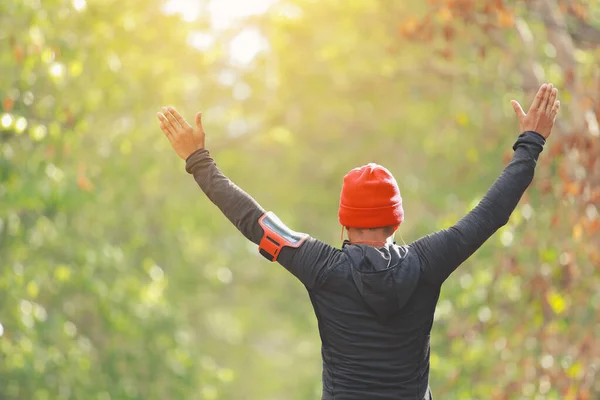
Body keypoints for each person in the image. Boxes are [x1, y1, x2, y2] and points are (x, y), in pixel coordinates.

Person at [156, 83, 560, 400]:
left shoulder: (320, 266)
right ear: (395, 219)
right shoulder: (428, 261)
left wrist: (199, 160)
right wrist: (531, 143)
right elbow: (491, 214)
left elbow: (254, 221)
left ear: (344, 220)